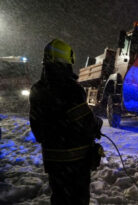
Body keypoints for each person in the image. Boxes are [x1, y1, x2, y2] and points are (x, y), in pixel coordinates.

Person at [29, 39, 103, 204]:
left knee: (59, 198)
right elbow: (86, 124)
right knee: (78, 200)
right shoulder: (72, 89)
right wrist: (97, 123)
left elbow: (38, 130)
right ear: (67, 60)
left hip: (53, 162)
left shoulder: (37, 89)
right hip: (76, 164)